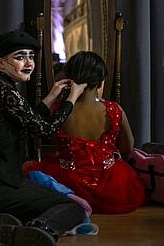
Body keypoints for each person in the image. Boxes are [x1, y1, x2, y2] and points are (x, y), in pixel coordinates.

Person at [0, 30, 87, 246]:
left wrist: (51, 97)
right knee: (73, 207)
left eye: (31, 56)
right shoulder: (6, 93)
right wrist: (71, 99)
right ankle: (37, 230)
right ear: (0, 63)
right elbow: (45, 131)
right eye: (19, 57)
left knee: (38, 201)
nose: (28, 63)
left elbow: (24, 125)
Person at [25, 51, 148, 214]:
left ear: (69, 80)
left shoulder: (59, 111)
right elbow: (128, 147)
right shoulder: (114, 110)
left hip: (66, 180)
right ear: (100, 82)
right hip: (111, 186)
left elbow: (34, 130)